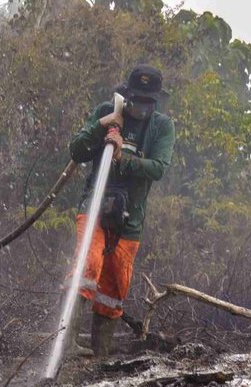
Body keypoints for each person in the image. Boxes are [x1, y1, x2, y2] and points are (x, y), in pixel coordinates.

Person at [67, 65, 176, 356]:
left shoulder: (162, 127)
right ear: (127, 96)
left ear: (155, 101)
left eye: (148, 102)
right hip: (94, 206)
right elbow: (77, 150)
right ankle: (65, 344)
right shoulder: (107, 111)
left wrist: (122, 156)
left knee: (115, 285)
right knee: (88, 264)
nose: (142, 108)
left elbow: (157, 168)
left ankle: (99, 356)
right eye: (137, 100)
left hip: (130, 218)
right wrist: (103, 126)